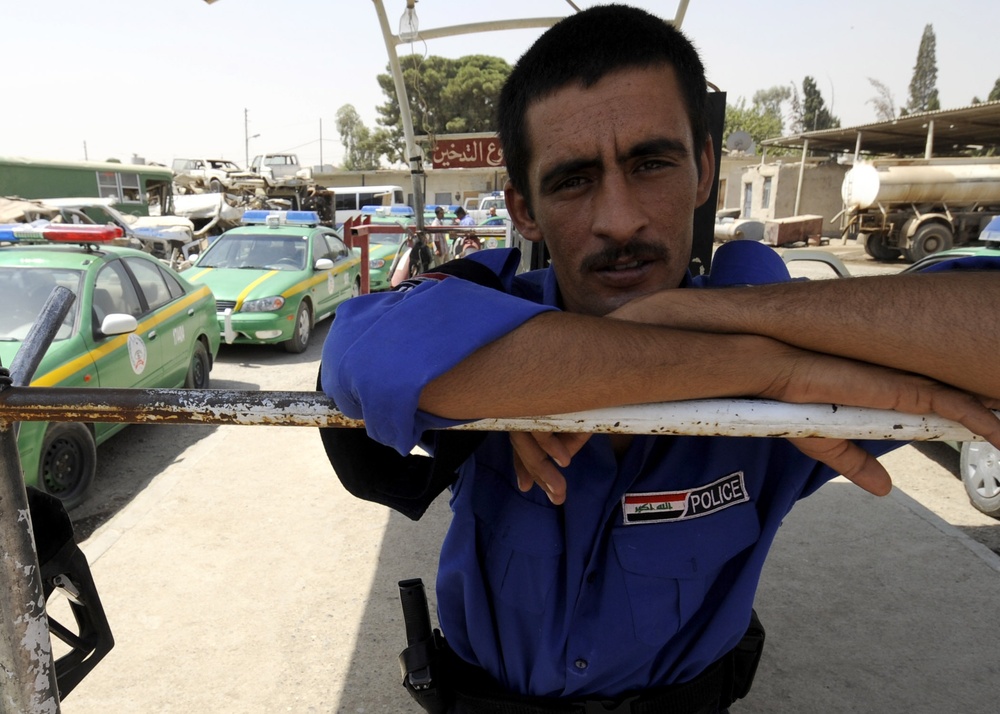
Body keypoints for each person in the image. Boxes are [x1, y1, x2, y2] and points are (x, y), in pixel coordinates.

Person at [319, 5, 1000, 713]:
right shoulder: (487, 310)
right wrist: (763, 372)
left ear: (705, 167)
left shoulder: (796, 335)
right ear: (524, 210)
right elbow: (353, 355)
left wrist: (719, 318)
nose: (620, 219)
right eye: (574, 180)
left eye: (651, 164)